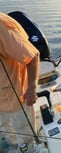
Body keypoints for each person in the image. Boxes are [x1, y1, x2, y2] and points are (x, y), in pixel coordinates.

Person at [0, 12, 40, 152]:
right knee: (7, 141)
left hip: (16, 100)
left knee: (25, 142)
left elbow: (32, 56)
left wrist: (31, 89)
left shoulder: (2, 26)